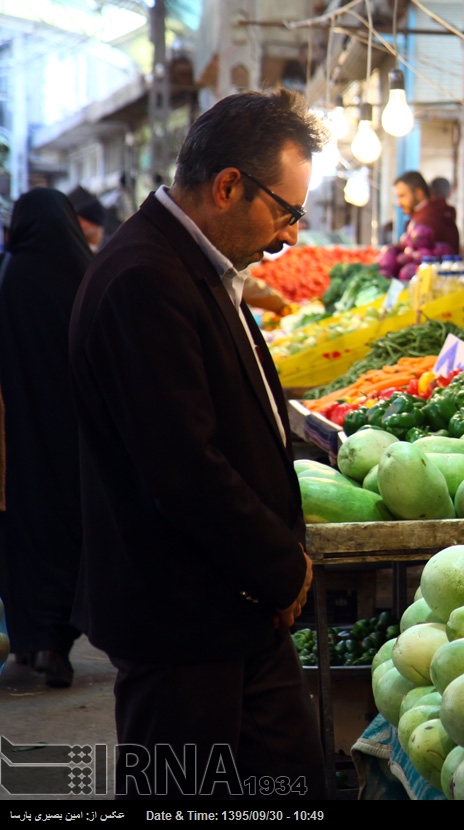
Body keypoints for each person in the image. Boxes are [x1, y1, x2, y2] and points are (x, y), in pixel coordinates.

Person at [68, 89, 325, 799]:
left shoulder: (188, 266)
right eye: (285, 212)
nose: (290, 237)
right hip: (181, 619)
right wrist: (280, 567)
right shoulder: (144, 279)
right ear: (228, 187)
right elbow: (183, 467)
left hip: (230, 611)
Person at [0, 188, 93, 688]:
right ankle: (56, 645)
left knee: (22, 538)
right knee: (68, 534)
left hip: (16, 443)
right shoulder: (83, 273)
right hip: (72, 439)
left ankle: (28, 640)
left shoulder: (7, 275)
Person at [394, 170, 460, 254]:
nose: (398, 203)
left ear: (419, 193)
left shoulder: (426, 220)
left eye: (402, 196)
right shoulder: (426, 215)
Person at [67, 186, 108, 252]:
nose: (79, 226)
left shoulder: (111, 247)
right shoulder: (76, 250)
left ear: (94, 224)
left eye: (81, 222)